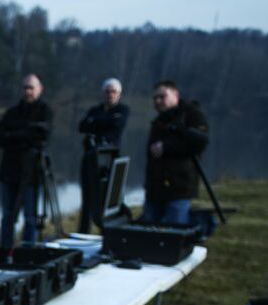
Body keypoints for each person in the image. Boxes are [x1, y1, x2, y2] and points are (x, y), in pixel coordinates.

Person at [0, 73, 53, 249]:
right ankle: (5, 251)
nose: (28, 91)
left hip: (32, 174)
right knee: (7, 216)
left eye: (32, 88)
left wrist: (15, 135)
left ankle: (28, 252)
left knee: (30, 217)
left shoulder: (45, 111)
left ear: (39, 90)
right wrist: (28, 133)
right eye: (25, 88)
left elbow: (44, 138)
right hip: (9, 172)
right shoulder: (12, 112)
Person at [141, 79, 210, 225]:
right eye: (155, 98)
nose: (158, 101)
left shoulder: (192, 115)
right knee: (147, 234)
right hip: (154, 191)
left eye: (162, 96)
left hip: (179, 189)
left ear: (176, 95)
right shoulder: (159, 121)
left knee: (174, 233)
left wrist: (166, 147)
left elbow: (201, 142)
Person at [77, 78, 130, 232]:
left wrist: (94, 122)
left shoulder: (123, 110)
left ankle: (109, 232)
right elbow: (82, 126)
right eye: (107, 91)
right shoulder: (95, 110)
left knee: (110, 198)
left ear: (119, 94)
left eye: (113, 91)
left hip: (111, 161)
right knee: (87, 198)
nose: (110, 95)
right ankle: (83, 232)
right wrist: (104, 121)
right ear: (102, 93)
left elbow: (117, 124)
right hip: (90, 158)